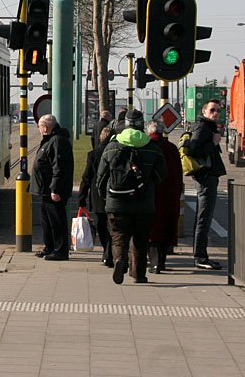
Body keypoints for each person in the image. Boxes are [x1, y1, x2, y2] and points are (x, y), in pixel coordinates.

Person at [96, 109, 166, 284]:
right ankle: (139, 274)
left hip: (116, 202)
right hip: (144, 203)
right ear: (142, 125)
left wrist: (106, 197)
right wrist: (148, 184)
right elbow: (162, 174)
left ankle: (120, 260)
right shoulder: (152, 148)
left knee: (118, 236)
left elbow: (101, 178)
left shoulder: (112, 147)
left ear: (125, 124)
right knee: (141, 239)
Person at [182, 99, 227, 270]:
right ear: (204, 111)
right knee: (204, 218)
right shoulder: (203, 127)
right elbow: (194, 149)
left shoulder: (208, 126)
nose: (216, 113)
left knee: (204, 217)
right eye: (212, 110)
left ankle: (201, 255)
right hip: (205, 177)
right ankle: (200, 257)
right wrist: (213, 143)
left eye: (218, 110)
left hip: (208, 176)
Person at [30, 114, 74, 261]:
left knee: (56, 220)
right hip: (45, 190)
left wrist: (55, 189)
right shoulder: (50, 140)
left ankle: (60, 250)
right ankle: (49, 247)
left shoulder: (57, 141)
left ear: (45, 127)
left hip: (52, 190)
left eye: (39, 127)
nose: (39, 129)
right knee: (46, 220)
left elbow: (58, 167)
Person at [145, 120, 183, 273]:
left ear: (149, 131)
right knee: (167, 227)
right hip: (170, 196)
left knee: (152, 229)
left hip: (151, 195)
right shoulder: (171, 148)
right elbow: (178, 173)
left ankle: (154, 263)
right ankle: (161, 262)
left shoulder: (146, 147)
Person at [78, 126, 113, 267]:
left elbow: (86, 177)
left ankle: (107, 251)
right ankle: (110, 253)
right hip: (114, 194)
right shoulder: (118, 152)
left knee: (101, 224)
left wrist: (81, 197)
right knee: (114, 226)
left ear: (100, 138)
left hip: (97, 195)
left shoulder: (93, 154)